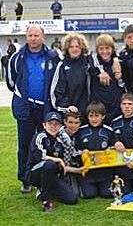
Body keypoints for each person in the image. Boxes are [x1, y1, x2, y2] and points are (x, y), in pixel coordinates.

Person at [6, 25, 60, 193]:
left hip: (46, 109)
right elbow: (11, 82)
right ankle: (25, 179)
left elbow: (58, 79)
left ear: (43, 37)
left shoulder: (53, 57)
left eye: (36, 35)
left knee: (47, 143)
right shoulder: (16, 57)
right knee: (25, 145)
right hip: (26, 109)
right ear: (26, 37)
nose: (33, 38)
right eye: (30, 35)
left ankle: (45, 178)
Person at [25, 112, 78, 212]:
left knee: (72, 199)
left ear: (61, 126)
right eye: (50, 124)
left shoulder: (62, 140)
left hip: (52, 175)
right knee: (50, 164)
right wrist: (57, 159)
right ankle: (46, 200)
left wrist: (79, 169)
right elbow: (38, 156)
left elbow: (66, 164)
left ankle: (46, 189)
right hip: (35, 173)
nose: (53, 127)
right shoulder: (39, 137)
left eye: (56, 124)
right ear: (44, 125)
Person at [76, 101, 115, 198]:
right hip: (88, 173)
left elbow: (114, 148)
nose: (94, 119)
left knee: (107, 194)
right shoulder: (81, 131)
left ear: (103, 116)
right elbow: (75, 149)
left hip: (105, 172)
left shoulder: (109, 131)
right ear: (87, 117)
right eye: (91, 116)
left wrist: (110, 151)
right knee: (89, 195)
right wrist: (82, 153)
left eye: (97, 116)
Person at [51, 33, 89, 119]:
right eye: (71, 47)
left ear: (82, 48)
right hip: (69, 113)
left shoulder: (89, 63)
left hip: (87, 113)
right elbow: (57, 90)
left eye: (77, 46)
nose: (74, 49)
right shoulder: (62, 65)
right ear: (67, 48)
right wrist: (67, 106)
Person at [89, 34, 123, 124]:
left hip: (115, 107)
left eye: (107, 48)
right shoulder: (92, 62)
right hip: (99, 108)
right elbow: (92, 62)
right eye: (101, 49)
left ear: (112, 49)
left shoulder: (118, 62)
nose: (104, 51)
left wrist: (116, 60)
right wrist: (100, 72)